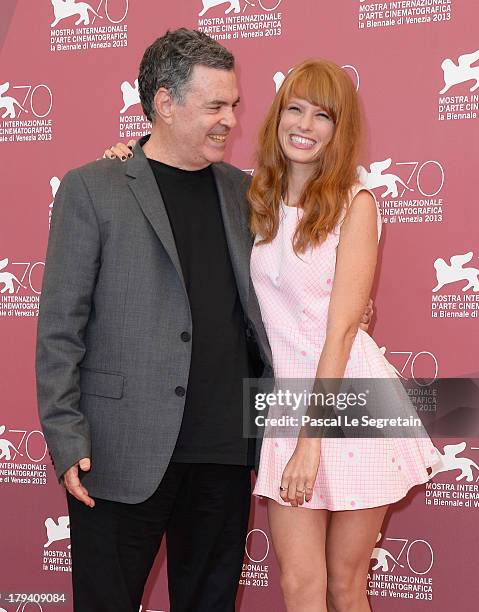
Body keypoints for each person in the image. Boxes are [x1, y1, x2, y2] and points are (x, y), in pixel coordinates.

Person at [36, 29, 273, 612]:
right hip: (119, 451)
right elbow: (60, 328)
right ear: (165, 103)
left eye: (234, 106)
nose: (230, 121)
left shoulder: (246, 193)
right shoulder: (93, 188)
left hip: (224, 449)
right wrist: (67, 439)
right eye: (214, 105)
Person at [247, 59, 441, 612]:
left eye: (323, 115)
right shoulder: (256, 200)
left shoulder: (356, 205)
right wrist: (129, 152)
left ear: (340, 129)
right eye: (295, 108)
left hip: (350, 400)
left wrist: (311, 445)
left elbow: (338, 336)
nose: (305, 125)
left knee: (343, 586)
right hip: (287, 403)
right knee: (299, 587)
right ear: (278, 116)